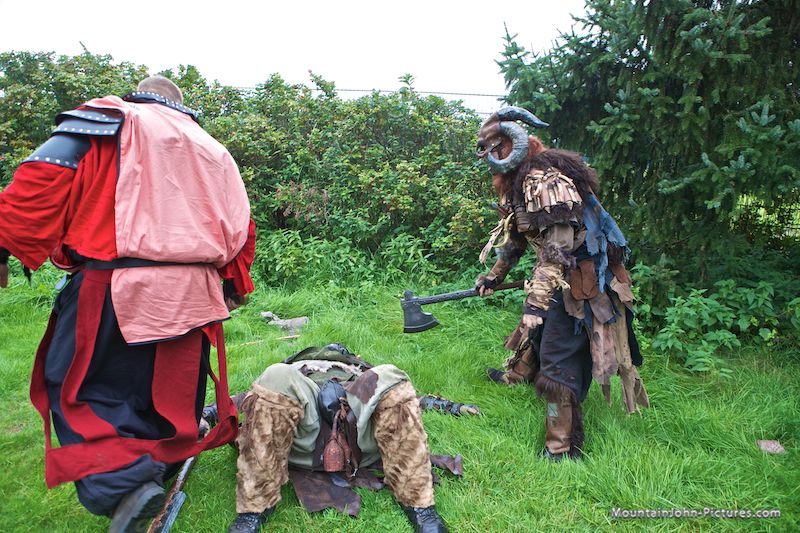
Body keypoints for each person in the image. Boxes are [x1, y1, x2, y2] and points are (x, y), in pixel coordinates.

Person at [0, 75, 255, 532]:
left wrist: (4, 243)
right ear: (182, 107)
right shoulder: (214, 150)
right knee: (167, 398)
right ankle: (150, 474)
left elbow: (45, 174)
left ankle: (124, 484)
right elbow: (243, 228)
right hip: (194, 294)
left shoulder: (111, 118)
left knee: (80, 388)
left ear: (139, 95)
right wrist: (233, 287)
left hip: (115, 286)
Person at [473, 106, 649, 461]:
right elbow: (518, 236)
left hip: (581, 281)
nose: (487, 160)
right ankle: (518, 376)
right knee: (539, 330)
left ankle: (561, 446)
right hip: (558, 272)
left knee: (558, 356)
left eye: (492, 149)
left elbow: (559, 247)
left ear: (509, 147)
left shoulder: (544, 180)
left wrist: (536, 301)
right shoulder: (518, 182)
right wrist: (495, 275)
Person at [225, 344, 455, 533]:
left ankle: (419, 506)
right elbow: (244, 399)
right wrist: (210, 413)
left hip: (358, 432)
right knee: (275, 374)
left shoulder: (357, 368)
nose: (331, 349)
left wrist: (452, 406)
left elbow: (406, 396)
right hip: (304, 433)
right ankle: (254, 508)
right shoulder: (294, 369)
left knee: (389, 374)